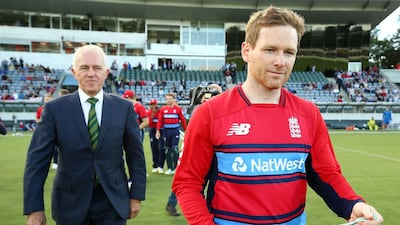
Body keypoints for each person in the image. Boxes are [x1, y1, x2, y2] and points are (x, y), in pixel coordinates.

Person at [172, 6, 384, 225]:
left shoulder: (308, 115)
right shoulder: (210, 113)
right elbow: (187, 183)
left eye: (289, 52)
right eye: (270, 49)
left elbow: (326, 175)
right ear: (247, 51)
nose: (280, 62)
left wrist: (353, 204)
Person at [23, 44, 146, 225]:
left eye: (96, 68)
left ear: (106, 72)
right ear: (74, 72)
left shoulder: (124, 108)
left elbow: (136, 155)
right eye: (84, 68)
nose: (91, 73)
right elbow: (37, 161)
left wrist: (136, 195)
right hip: (69, 203)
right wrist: (34, 208)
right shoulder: (55, 110)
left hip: (112, 202)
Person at [155, 93, 187, 175]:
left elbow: (183, 119)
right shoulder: (163, 109)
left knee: (175, 149)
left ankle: (177, 168)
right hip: (166, 131)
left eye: (170, 99)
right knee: (167, 150)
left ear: (173, 99)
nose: (168, 100)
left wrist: (186, 130)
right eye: (167, 99)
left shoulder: (177, 109)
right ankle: (170, 168)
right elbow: (160, 120)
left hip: (175, 131)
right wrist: (158, 131)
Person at [147, 98, 164, 173]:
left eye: (154, 104)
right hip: (152, 130)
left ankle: (160, 166)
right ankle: (155, 165)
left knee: (161, 148)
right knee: (154, 148)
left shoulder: (161, 112)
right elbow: (149, 123)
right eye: (151, 105)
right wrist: (152, 116)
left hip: (161, 130)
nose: (153, 106)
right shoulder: (149, 112)